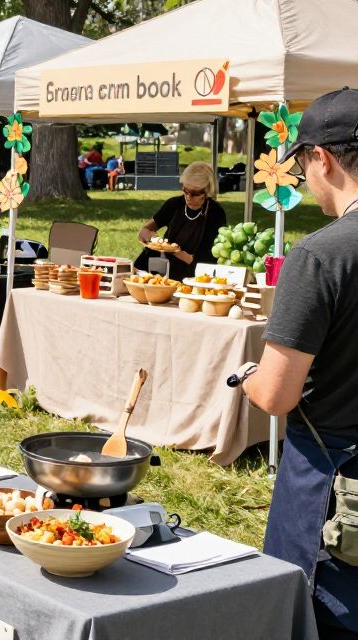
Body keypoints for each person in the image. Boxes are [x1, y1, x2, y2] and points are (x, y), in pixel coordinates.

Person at [230, 87, 358, 639]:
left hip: (331, 491)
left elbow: (278, 395)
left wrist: (250, 379)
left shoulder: (320, 256)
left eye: (304, 164)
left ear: (321, 159)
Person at [133, 161, 226, 280]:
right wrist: (156, 240)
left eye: (194, 194)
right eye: (185, 191)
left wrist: (175, 251)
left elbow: (205, 260)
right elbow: (145, 231)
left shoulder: (215, 213)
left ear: (207, 191)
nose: (188, 197)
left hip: (190, 274)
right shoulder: (175, 204)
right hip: (159, 265)